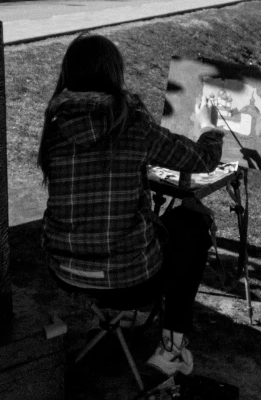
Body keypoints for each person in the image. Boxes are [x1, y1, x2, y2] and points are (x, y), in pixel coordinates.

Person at [38, 33, 224, 377]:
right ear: (113, 73)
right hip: (130, 280)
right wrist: (212, 130)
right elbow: (201, 159)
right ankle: (172, 347)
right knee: (193, 224)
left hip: (65, 272)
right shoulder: (130, 123)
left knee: (151, 225)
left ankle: (115, 316)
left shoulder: (54, 125)